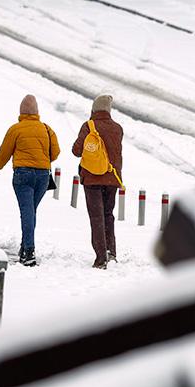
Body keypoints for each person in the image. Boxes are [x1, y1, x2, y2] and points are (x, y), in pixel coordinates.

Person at [0, 94, 59, 267]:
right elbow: (56, 152)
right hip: (43, 176)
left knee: (27, 212)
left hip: (23, 175)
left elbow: (5, 151)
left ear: (21, 111)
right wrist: (42, 161)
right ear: (37, 111)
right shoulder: (47, 129)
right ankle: (24, 248)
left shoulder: (16, 129)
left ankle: (29, 251)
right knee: (31, 211)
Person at [72, 94, 124, 269]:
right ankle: (112, 252)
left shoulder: (88, 126)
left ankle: (101, 258)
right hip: (112, 179)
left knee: (96, 217)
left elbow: (77, 151)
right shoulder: (117, 128)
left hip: (93, 179)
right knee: (108, 215)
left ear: (93, 109)